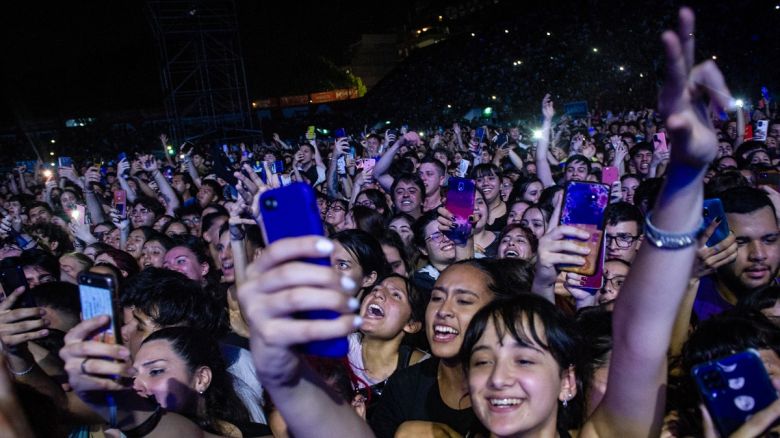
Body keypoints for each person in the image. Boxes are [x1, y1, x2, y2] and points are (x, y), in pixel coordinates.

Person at [693, 186, 780, 320]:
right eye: (740, 242)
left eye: (769, 240)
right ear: (713, 241)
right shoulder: (690, 302)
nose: (758, 255)